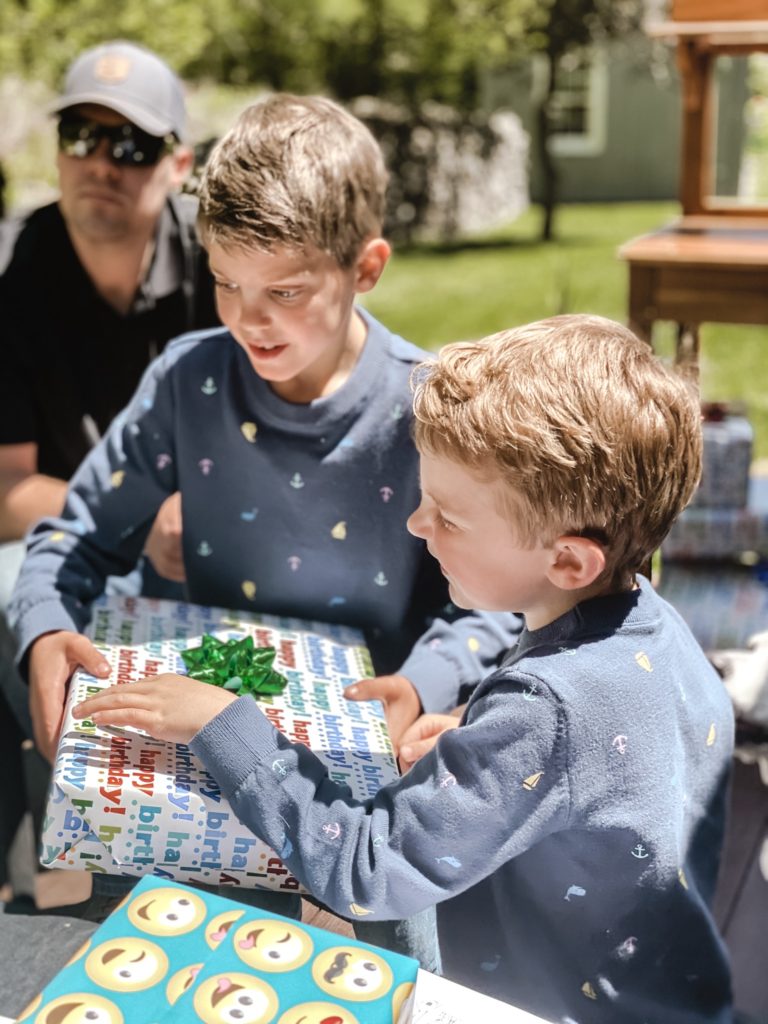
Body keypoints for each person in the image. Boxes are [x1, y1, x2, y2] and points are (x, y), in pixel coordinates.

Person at [75, 314, 735, 1020]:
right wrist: (477, 737)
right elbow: (603, 765)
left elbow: (366, 868)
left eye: (448, 517)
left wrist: (224, 723)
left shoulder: (544, 712)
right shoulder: (650, 626)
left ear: (569, 560)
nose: (418, 526)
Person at [9, 93, 520, 962]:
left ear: (366, 267)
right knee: (152, 968)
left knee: (371, 979)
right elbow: (77, 536)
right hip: (198, 758)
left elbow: (499, 604)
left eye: (285, 291)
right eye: (224, 282)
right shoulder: (188, 380)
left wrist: (424, 684)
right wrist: (45, 630)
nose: (249, 318)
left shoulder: (427, 413)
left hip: (361, 790)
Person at [0, 39, 219, 899]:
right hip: (81, 545)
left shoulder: (216, 267)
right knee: (12, 595)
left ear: (178, 163)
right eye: (80, 135)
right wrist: (127, 517)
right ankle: (63, 884)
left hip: (214, 547)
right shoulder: (21, 271)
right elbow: (10, 491)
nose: (101, 163)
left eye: (131, 145)